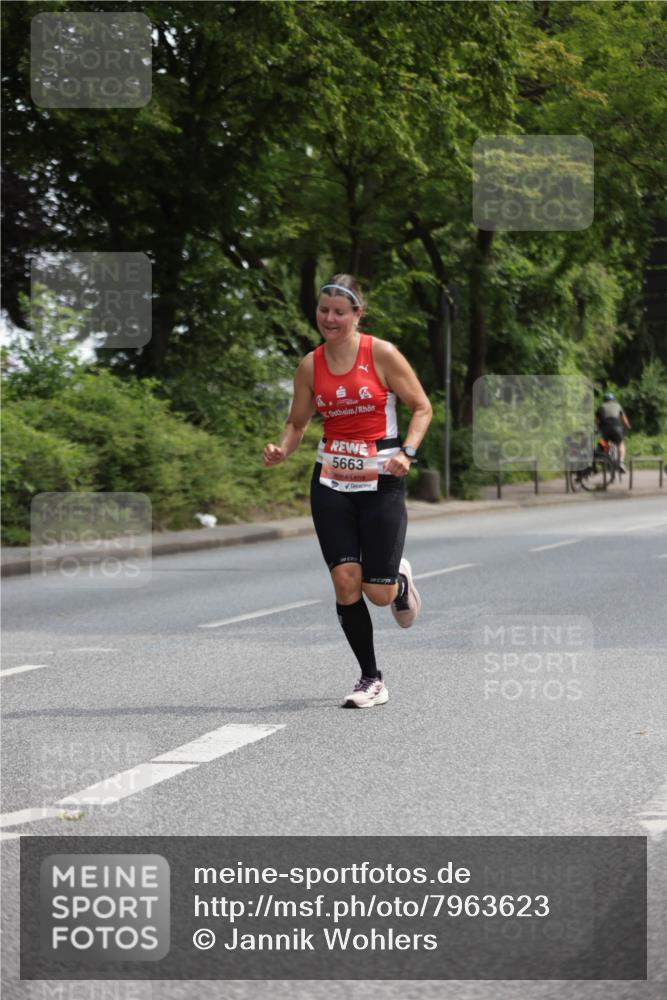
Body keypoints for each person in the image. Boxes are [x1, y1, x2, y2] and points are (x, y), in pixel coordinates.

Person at [263, 274, 433, 708]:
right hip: (331, 480)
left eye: (339, 312)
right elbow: (297, 423)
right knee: (344, 580)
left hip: (382, 479)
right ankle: (370, 678)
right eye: (324, 310)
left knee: (377, 593)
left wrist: (408, 452)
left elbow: (421, 407)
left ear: (358, 314)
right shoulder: (310, 365)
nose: (329, 318)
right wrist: (283, 448)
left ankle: (397, 581)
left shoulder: (382, 354)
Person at [595, 392, 631, 473]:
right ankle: (621, 462)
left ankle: (605, 460)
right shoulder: (618, 406)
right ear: (613, 400)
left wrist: (597, 429)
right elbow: (624, 419)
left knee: (605, 443)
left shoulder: (600, 407)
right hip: (616, 428)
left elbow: (597, 421)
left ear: (604, 400)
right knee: (621, 444)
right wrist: (627, 427)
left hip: (605, 429)